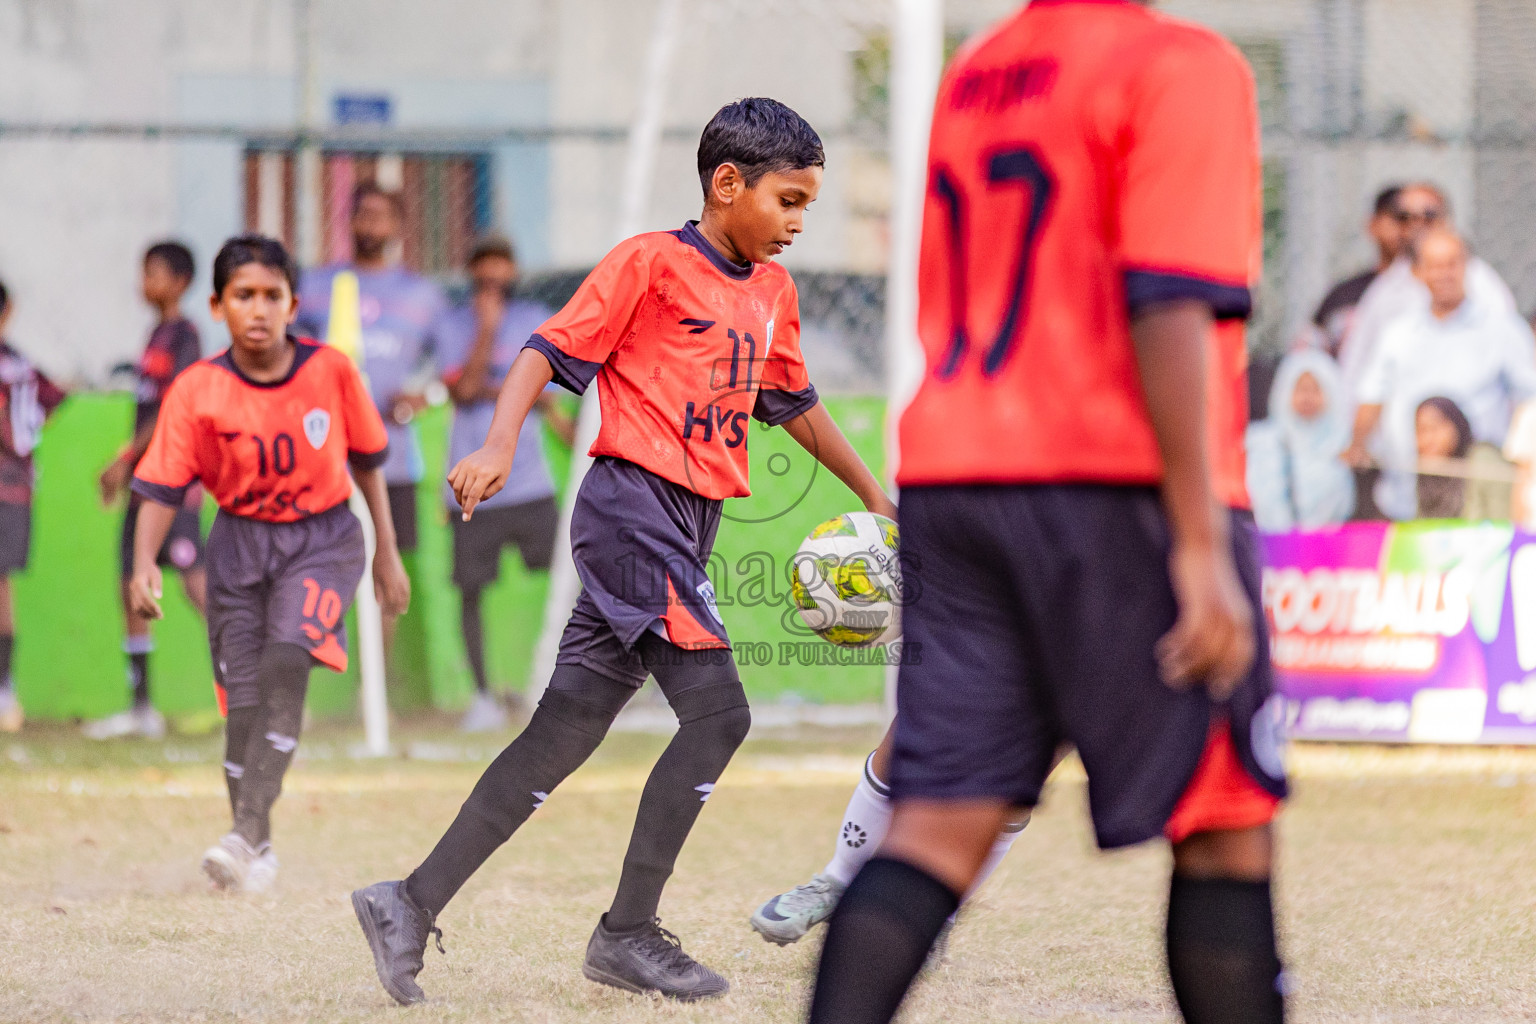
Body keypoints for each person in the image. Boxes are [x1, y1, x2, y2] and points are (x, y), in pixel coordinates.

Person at [351, 97, 896, 1005]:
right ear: (728, 185)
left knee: (561, 731)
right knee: (720, 716)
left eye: (809, 204)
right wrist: (494, 443)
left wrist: (873, 495)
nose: (801, 221)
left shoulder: (772, 293)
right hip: (628, 515)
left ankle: (406, 904)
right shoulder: (649, 263)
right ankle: (628, 933)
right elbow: (544, 352)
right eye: (790, 200)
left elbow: (790, 402)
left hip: (689, 525)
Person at [807, 4, 1287, 1024]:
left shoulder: (981, 73)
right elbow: (1167, 301)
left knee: (936, 829)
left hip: (958, 473)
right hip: (1116, 482)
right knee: (1224, 827)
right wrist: (1199, 545)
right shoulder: (1182, 65)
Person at [129, 235, 410, 893]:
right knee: (245, 702)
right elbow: (163, 487)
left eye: (271, 296)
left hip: (321, 540)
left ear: (292, 303)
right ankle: (254, 843)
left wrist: (386, 554)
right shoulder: (198, 389)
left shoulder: (330, 371)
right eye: (243, 296)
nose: (257, 310)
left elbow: (368, 463)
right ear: (218, 305)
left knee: (288, 660)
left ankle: (243, 832)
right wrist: (144, 560)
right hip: (238, 548)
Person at [295, 182, 444, 647]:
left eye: (382, 215)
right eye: (363, 214)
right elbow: (288, 357)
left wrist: (426, 395)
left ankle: (375, 685)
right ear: (348, 221)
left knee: (387, 559)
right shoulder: (319, 287)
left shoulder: (423, 296)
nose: (372, 225)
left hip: (391, 458)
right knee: (317, 562)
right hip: (324, 457)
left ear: (398, 226)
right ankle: (312, 673)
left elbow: (450, 367)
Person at [437, 236, 574, 733]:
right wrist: (486, 330)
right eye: (482, 281)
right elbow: (466, 388)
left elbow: (546, 390)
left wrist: (528, 398)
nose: (492, 290)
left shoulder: (534, 317)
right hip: (471, 480)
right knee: (471, 590)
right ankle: (481, 697)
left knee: (571, 576)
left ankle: (579, 685)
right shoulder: (452, 325)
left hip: (530, 482)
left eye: (501, 281)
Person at [87, 241, 209, 741]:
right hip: (145, 482)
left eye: (153, 274)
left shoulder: (186, 334)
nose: (144, 283)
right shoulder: (154, 334)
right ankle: (141, 708)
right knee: (130, 586)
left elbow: (173, 410)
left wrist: (122, 459)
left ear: (179, 281)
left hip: (175, 481)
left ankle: (258, 686)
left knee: (196, 584)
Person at [1345, 229, 1536, 520]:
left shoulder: (1502, 330)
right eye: (1434, 265)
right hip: (1405, 498)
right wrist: (1356, 444)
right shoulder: (1399, 334)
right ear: (1417, 273)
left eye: (1452, 263)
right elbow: (1372, 395)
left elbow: (1529, 402)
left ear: (1467, 266)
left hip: (1479, 502)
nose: (1444, 274)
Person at [1336, 182, 1518, 396]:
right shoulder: (1384, 290)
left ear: (1446, 220)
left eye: (1428, 215)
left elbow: (1514, 364)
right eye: (1404, 216)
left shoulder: (1481, 283)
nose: (1416, 223)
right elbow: (1355, 368)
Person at [0, 281, 67, 733]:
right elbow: (55, 396)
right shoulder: (20, 362)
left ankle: (4, 691)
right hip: (17, 486)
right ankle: (5, 691)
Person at [1245, 350, 1355, 531]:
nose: (1307, 397)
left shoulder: (1343, 448)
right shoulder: (1261, 443)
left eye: (1315, 389)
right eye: (1301, 389)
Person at [1305, 185, 1408, 357]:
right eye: (1401, 218)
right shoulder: (1343, 295)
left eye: (1427, 217)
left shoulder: (1443, 294)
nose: (1410, 228)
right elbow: (1308, 361)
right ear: (1373, 225)